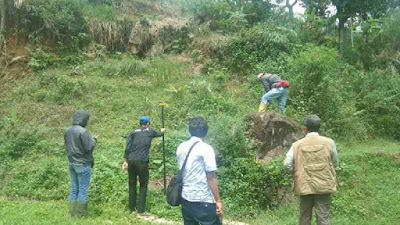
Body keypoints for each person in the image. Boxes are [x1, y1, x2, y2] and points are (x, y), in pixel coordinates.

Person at [284, 115, 339, 225]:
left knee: (305, 217)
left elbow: (287, 164)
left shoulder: (296, 145)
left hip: (304, 184)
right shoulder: (329, 142)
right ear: (319, 127)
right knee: (323, 216)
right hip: (324, 184)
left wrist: (296, 170)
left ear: (305, 128)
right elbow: (335, 162)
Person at [176, 117, 222, 225]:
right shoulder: (206, 148)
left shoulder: (181, 147)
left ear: (190, 130)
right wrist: (218, 201)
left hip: (186, 198)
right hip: (203, 199)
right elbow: (211, 176)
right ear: (205, 131)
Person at [122, 116, 165, 214]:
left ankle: (132, 209)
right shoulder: (150, 131)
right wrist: (163, 130)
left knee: (132, 184)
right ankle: (141, 211)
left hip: (131, 161)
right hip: (142, 162)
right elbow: (160, 134)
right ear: (148, 124)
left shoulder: (133, 132)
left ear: (140, 123)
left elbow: (127, 147)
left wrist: (125, 161)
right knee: (143, 185)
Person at [65, 109, 98, 217]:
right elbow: (89, 148)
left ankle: (71, 213)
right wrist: (94, 140)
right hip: (83, 164)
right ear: (84, 119)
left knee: (74, 188)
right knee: (82, 190)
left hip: (71, 163)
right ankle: (80, 215)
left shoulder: (68, 130)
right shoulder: (83, 131)